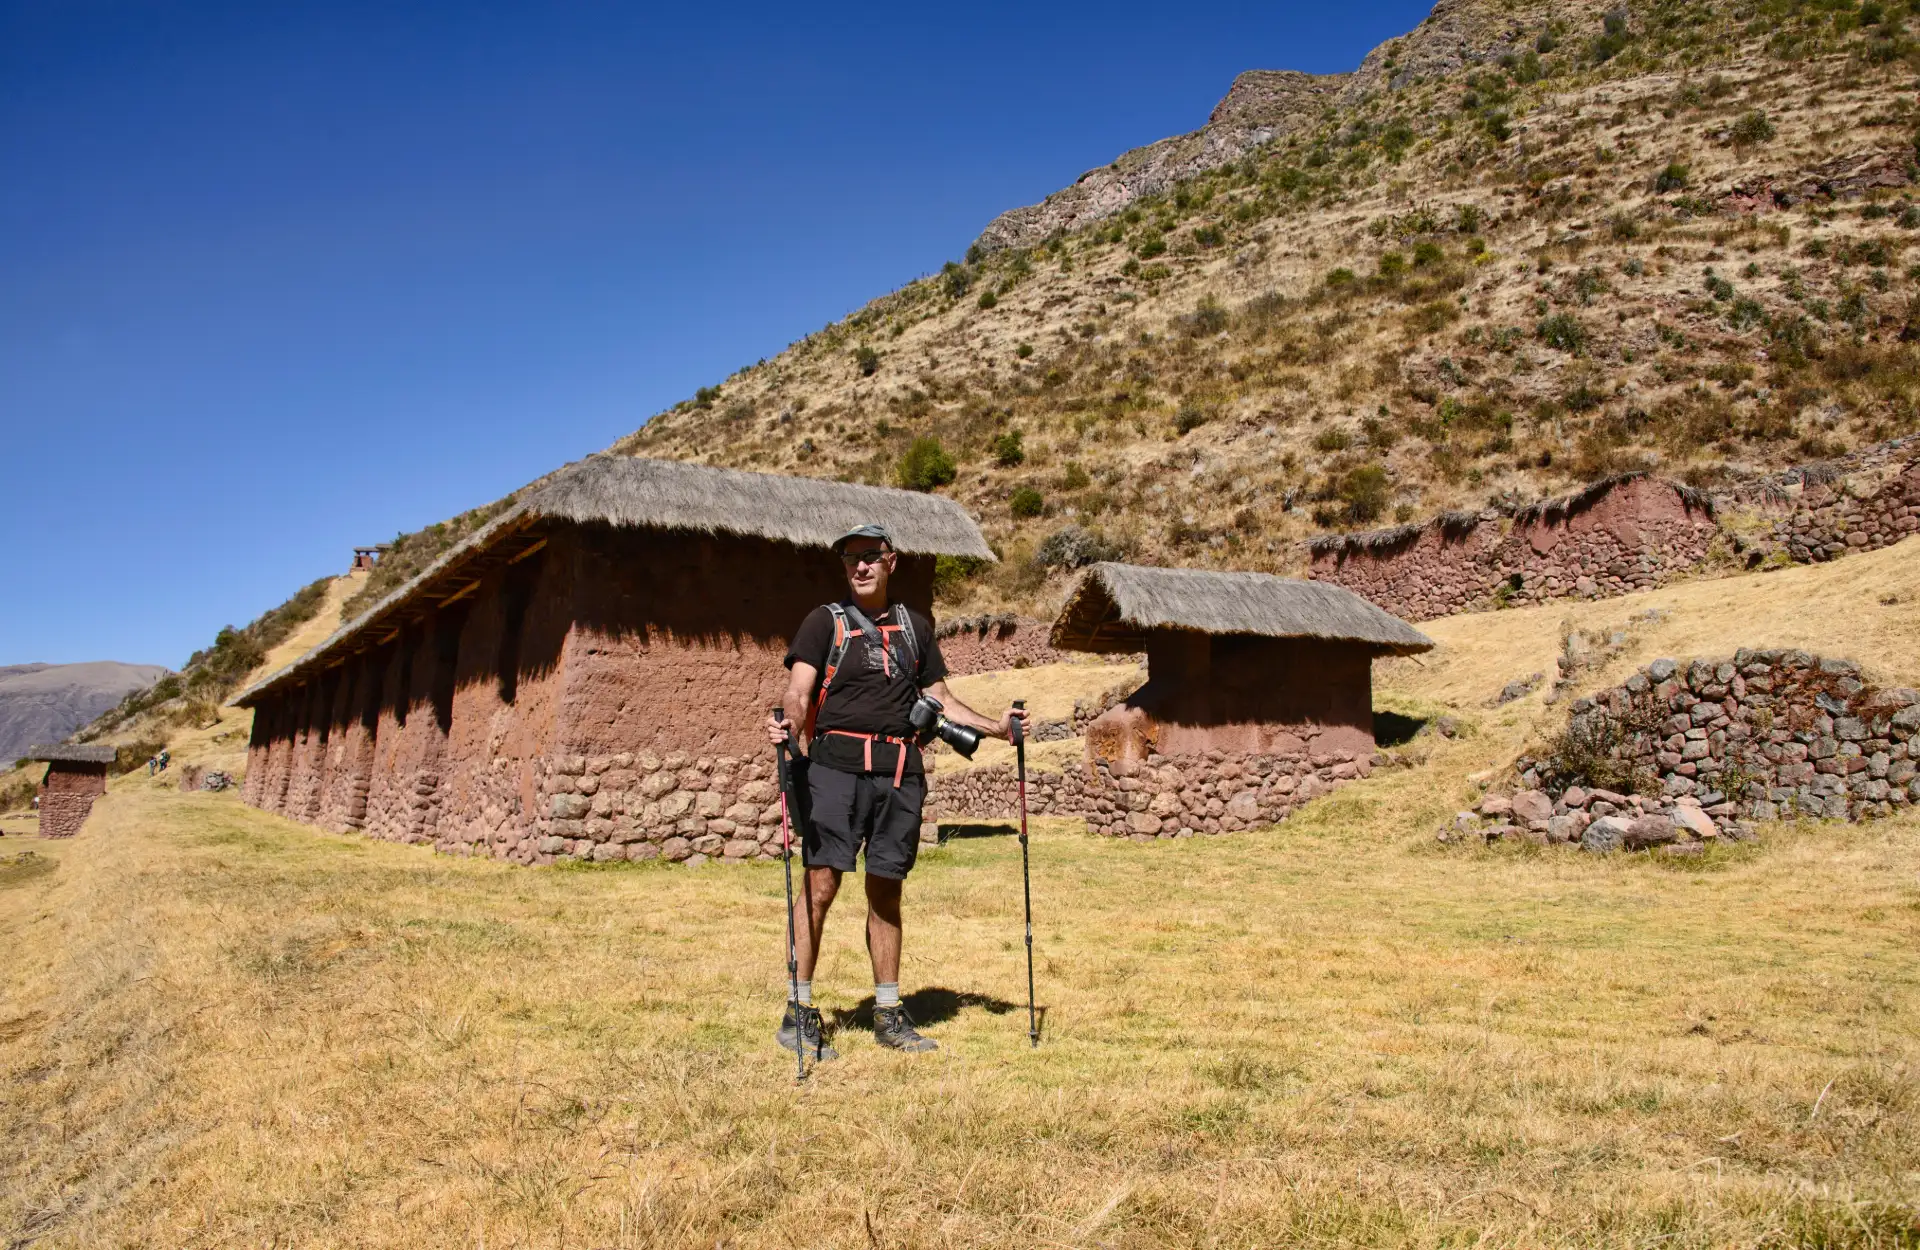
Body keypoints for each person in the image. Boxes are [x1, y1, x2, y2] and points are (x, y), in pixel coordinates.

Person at [767, 522, 1025, 1058]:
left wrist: (998, 728)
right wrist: (789, 723)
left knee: (887, 890)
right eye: (850, 559)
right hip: (834, 772)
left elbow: (942, 699)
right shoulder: (824, 622)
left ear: (891, 562)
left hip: (901, 774)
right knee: (820, 885)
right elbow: (798, 690)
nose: (860, 566)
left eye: (870, 556)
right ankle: (799, 1010)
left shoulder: (915, 628)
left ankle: (888, 1012)